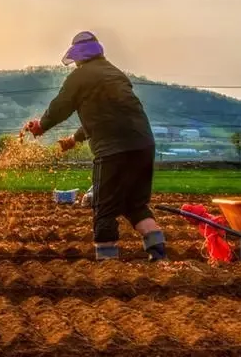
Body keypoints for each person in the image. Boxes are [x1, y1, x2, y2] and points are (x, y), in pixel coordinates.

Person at [22, 31, 166, 261]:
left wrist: (41, 125)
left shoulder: (80, 77)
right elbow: (106, 117)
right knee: (135, 204)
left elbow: (61, 107)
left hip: (112, 151)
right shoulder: (114, 74)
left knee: (104, 208)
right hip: (143, 146)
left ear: (78, 57)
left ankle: (108, 267)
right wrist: (74, 139)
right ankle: (159, 257)